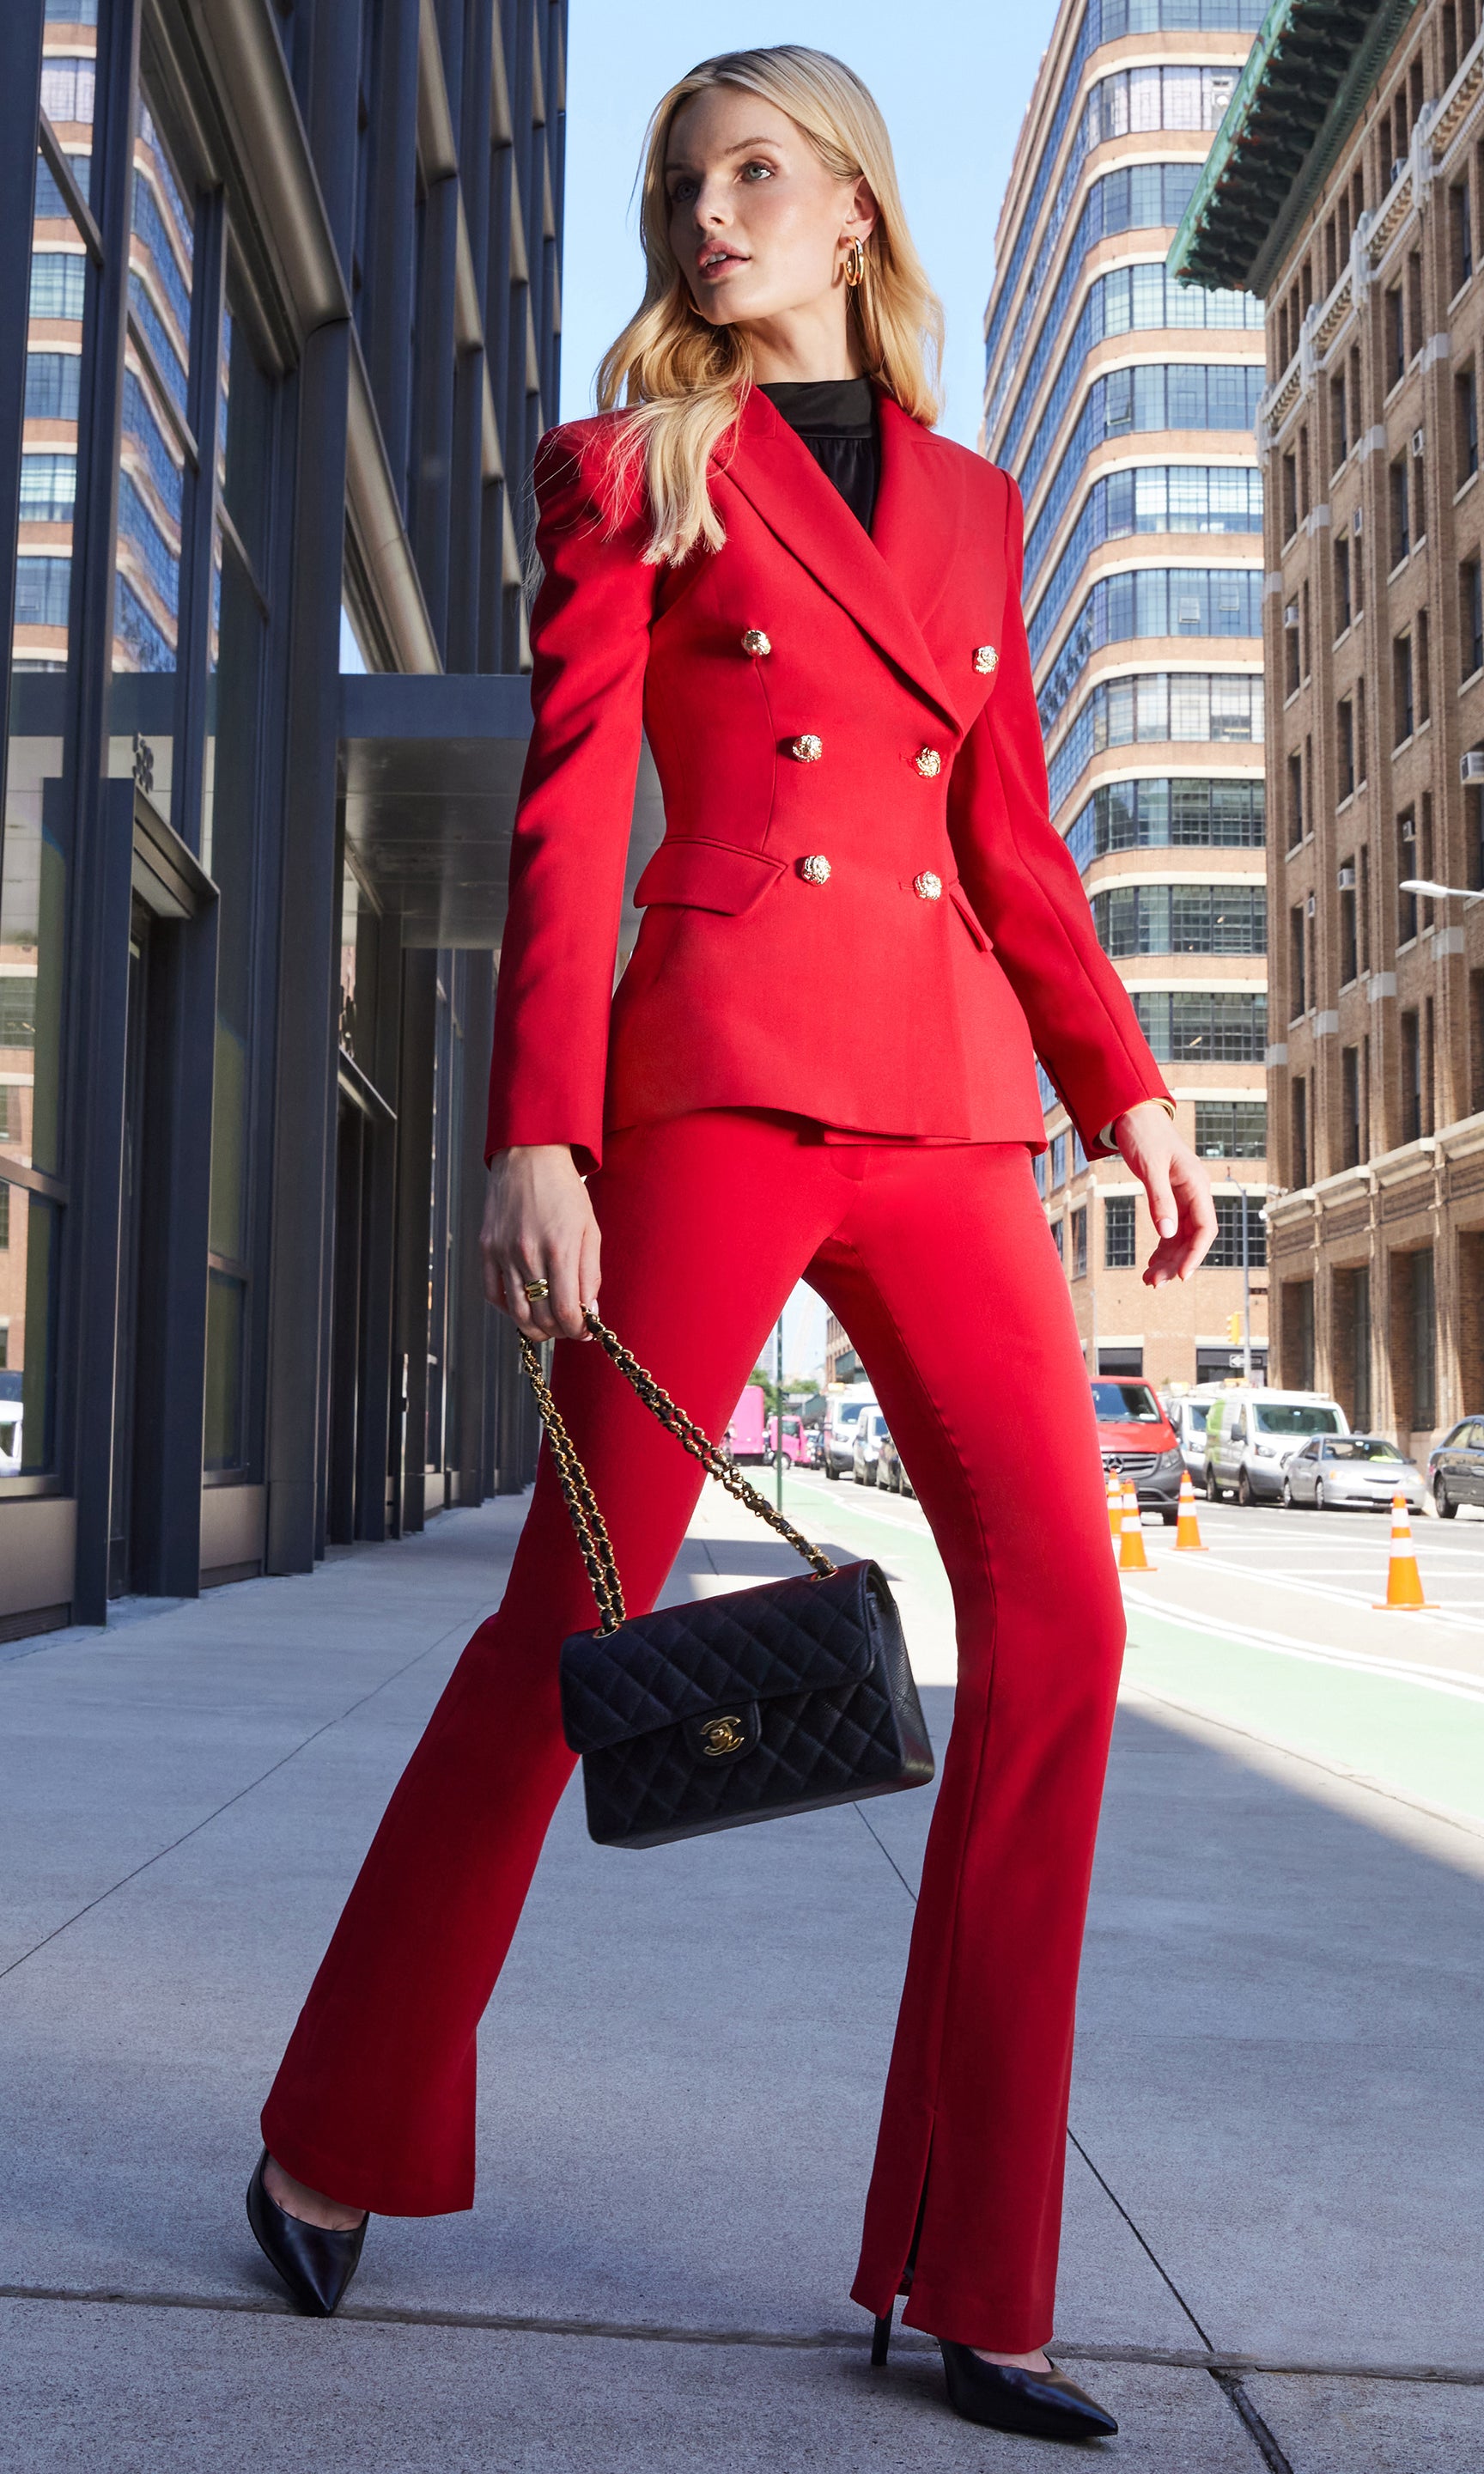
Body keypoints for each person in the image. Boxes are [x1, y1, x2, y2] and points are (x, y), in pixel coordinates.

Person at [247, 45, 1215, 2444]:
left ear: (854, 214)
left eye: (753, 175)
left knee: (1068, 1623)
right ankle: (333, 2128)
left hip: (952, 1112)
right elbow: (572, 817)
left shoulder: (983, 515)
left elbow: (1012, 837)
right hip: (703, 1098)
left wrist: (1127, 1079)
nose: (708, 216)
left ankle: (974, 2276)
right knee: (572, 1616)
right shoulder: (634, 468)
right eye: (685, 184)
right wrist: (535, 1134)